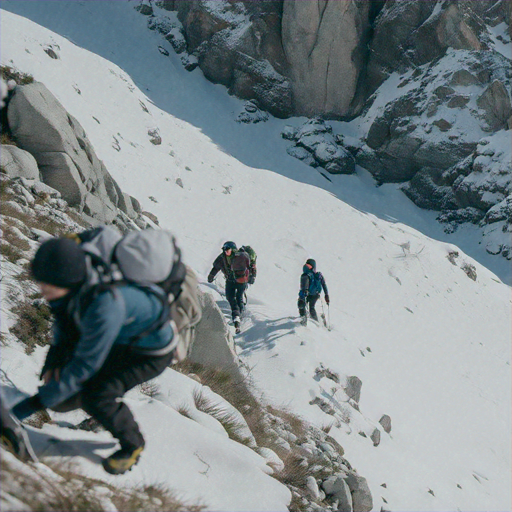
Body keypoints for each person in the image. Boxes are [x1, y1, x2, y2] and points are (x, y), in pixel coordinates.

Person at [10, 237, 176, 475]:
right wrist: (55, 359)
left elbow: (84, 366)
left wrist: (22, 409)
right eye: (41, 282)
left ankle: (132, 445)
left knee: (98, 395)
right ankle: (72, 396)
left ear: (68, 280)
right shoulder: (80, 273)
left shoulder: (105, 305)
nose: (42, 291)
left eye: (48, 285)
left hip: (148, 353)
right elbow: (64, 320)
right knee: (68, 390)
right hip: (122, 335)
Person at [207, 241, 255, 330]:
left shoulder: (237, 257)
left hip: (238, 280)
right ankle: (238, 315)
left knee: (237, 297)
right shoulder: (224, 257)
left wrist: (251, 276)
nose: (225, 251)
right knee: (231, 297)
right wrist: (211, 276)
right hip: (233, 280)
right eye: (224, 250)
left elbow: (249, 266)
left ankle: (238, 315)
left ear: (232, 249)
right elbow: (216, 267)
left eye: (227, 249)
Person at [298, 258, 329, 324]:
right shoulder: (318, 275)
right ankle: (316, 321)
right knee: (311, 307)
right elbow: (324, 284)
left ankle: (304, 320)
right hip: (316, 294)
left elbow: (304, 285)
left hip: (307, 293)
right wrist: (326, 295)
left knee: (302, 304)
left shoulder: (306, 275)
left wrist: (304, 292)